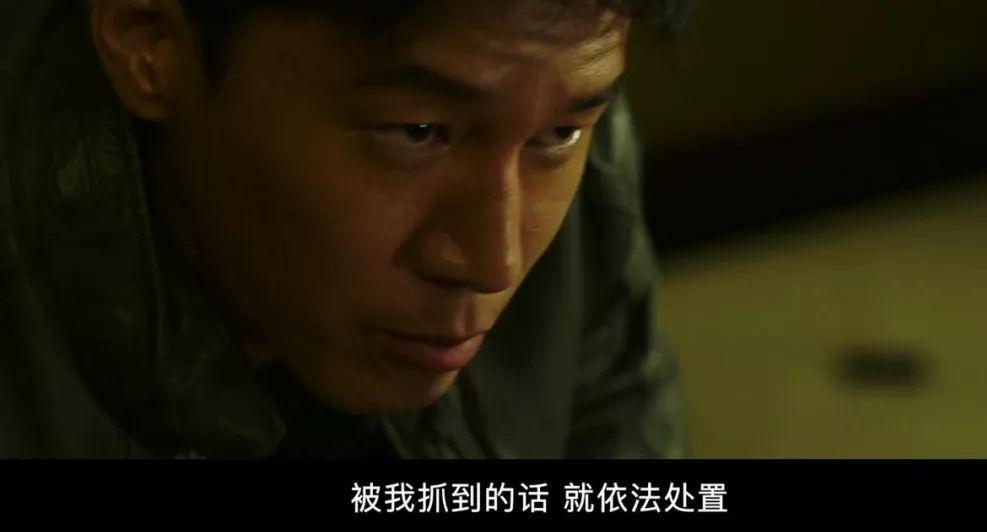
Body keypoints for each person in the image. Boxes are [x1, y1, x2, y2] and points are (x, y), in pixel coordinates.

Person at [0, 0, 690, 458]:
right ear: (154, 45)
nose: (494, 262)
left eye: (559, 134)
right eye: (418, 131)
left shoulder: (556, 117)